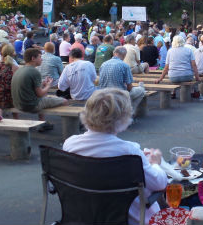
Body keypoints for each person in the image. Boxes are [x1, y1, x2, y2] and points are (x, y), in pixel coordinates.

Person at [62, 89, 166, 225]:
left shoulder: (70, 144)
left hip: (86, 215)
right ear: (124, 118)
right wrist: (155, 163)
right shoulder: (130, 151)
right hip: (129, 219)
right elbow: (160, 184)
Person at [11, 48, 69, 131]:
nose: (41, 59)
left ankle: (43, 122)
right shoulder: (34, 72)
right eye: (40, 57)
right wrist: (48, 85)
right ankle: (69, 128)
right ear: (33, 58)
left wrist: (43, 84)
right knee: (64, 101)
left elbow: (29, 87)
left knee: (44, 97)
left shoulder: (20, 70)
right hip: (31, 105)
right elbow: (40, 94)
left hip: (18, 104)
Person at [98, 46, 147, 111]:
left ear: (114, 53)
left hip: (103, 94)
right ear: (124, 55)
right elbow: (129, 88)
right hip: (118, 95)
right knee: (141, 90)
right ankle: (131, 111)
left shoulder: (103, 64)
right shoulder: (124, 66)